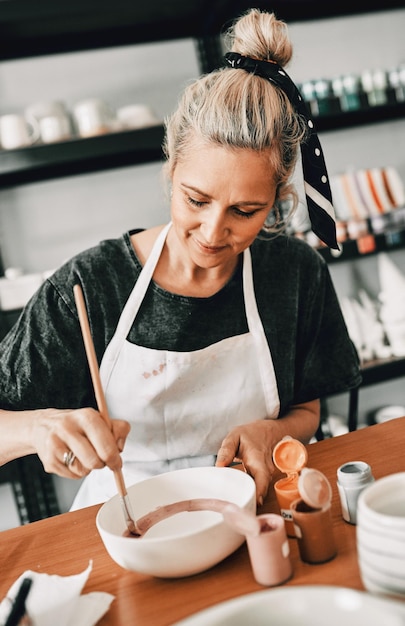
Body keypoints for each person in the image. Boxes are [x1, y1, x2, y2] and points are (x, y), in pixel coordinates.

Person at [0, 8, 361, 510]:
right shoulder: (88, 286)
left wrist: (273, 431)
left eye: (245, 210)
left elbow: (308, 407)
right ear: (171, 170)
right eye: (196, 199)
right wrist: (42, 429)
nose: (213, 232)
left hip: (251, 515)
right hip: (126, 527)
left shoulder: (295, 273)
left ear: (279, 197)